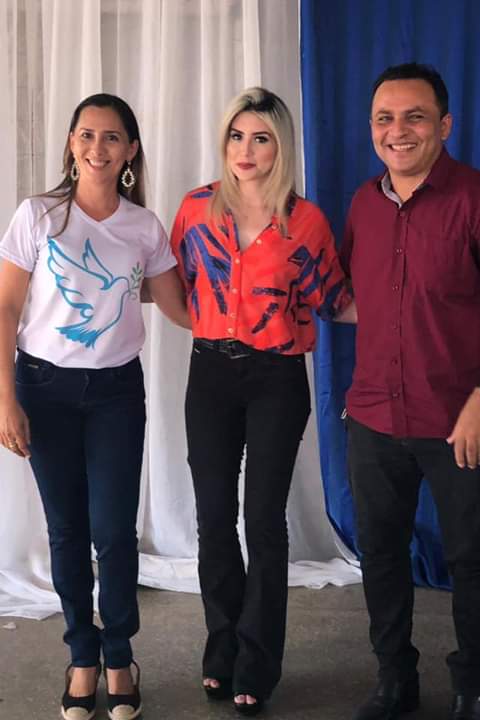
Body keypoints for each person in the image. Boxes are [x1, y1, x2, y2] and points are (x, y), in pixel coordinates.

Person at [341, 63, 480, 720]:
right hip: (373, 417)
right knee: (381, 556)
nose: (397, 131)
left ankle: (471, 687)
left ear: (445, 125)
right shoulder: (363, 205)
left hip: (460, 420)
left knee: (471, 559)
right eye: (384, 118)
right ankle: (394, 680)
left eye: (415, 117)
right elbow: (361, 301)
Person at [0, 93, 190, 720]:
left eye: (112, 137)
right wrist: (4, 398)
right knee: (66, 529)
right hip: (43, 389)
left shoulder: (144, 227)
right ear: (71, 143)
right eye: (86, 134)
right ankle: (82, 654)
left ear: (130, 150)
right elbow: (5, 308)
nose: (97, 147)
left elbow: (180, 307)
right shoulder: (38, 215)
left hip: (115, 394)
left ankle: (119, 655)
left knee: (112, 531)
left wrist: (256, 305)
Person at [170, 86, 355, 716]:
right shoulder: (196, 209)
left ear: (281, 147)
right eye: (236, 136)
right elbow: (175, 285)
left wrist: (412, 306)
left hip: (277, 377)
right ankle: (220, 648)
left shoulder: (306, 222)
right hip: (209, 374)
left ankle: (258, 663)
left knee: (264, 520)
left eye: (261, 138)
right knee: (213, 517)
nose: (245, 150)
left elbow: (335, 301)